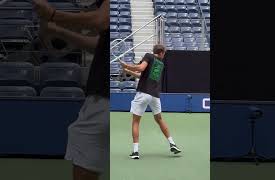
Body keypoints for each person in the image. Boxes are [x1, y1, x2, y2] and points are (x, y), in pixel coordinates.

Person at [32, 0, 109, 179]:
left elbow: (100, 20)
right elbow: (98, 45)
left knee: (85, 145)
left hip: (104, 93)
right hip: (104, 92)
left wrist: (53, 15)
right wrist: (58, 30)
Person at [120, 44, 181, 159]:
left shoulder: (148, 56)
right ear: (161, 52)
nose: (164, 55)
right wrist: (128, 70)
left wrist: (127, 65)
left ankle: (135, 152)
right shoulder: (161, 64)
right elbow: (141, 75)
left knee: (136, 121)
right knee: (159, 119)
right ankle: (172, 143)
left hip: (143, 93)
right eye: (165, 53)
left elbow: (141, 68)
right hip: (155, 96)